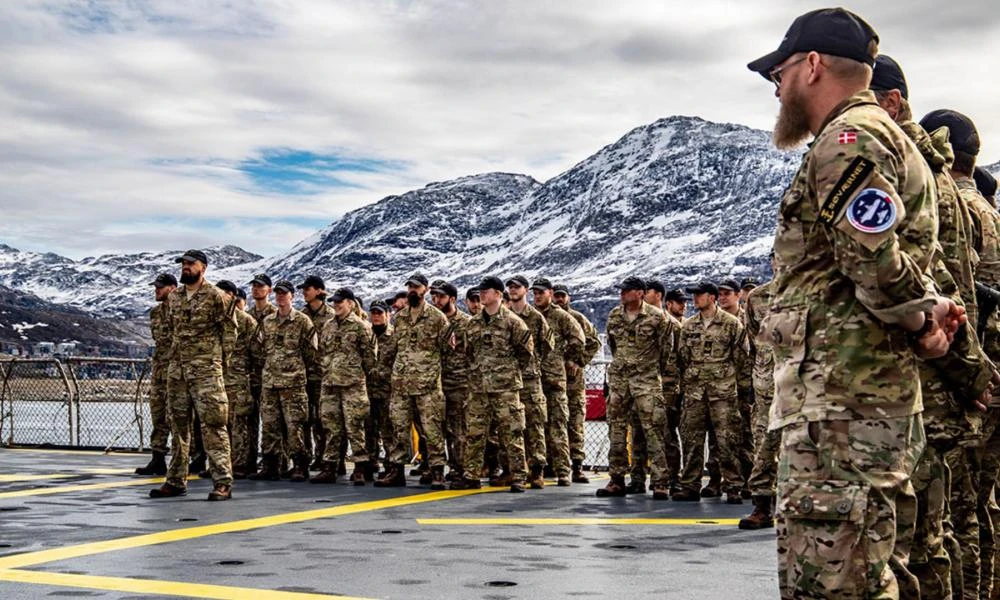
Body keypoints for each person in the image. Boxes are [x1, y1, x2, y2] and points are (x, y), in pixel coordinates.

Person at [747, 8, 964, 595]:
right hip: (863, 400)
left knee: (835, 583)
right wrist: (925, 315)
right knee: (872, 570)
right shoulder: (883, 138)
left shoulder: (850, 139)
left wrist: (919, 319)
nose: (778, 87)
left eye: (781, 73)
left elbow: (871, 257)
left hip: (841, 406)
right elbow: (895, 255)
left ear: (812, 65)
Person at [149, 249, 236, 501]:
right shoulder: (174, 298)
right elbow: (169, 332)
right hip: (178, 373)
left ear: (203, 268)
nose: (186, 267)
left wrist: (219, 363)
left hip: (207, 372)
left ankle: (222, 482)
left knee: (213, 426)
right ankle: (176, 480)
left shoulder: (217, 297)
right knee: (178, 427)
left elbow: (230, 333)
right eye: (183, 264)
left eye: (191, 264)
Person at [452, 276, 532, 493]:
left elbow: (526, 354)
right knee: (475, 433)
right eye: (480, 291)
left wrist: (507, 373)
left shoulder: (513, 322)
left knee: (511, 433)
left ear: (498, 294)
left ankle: (518, 476)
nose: (481, 295)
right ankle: (472, 475)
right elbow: (468, 353)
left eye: (486, 291)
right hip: (479, 388)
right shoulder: (473, 324)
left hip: (505, 388)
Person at [597, 276, 671, 499]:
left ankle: (660, 482)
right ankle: (617, 479)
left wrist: (651, 372)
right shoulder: (615, 316)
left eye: (627, 290)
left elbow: (666, 350)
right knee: (616, 431)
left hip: (646, 381)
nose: (622, 294)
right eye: (622, 290)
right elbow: (613, 344)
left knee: (654, 431)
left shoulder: (657, 318)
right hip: (620, 381)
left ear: (640, 293)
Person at [672, 280, 746, 504]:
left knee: (727, 440)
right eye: (694, 295)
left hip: (722, 392)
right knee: (692, 440)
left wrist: (741, 389)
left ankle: (732, 485)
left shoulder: (731, 324)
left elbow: (741, 358)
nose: (695, 299)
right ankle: (690, 485)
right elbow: (682, 357)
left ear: (712, 298)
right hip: (695, 392)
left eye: (700, 295)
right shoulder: (689, 326)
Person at [375, 273, 449, 489]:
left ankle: (436, 471)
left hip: (427, 386)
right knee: (398, 428)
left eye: (416, 287)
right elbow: (391, 348)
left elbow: (447, 351)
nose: (412, 291)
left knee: (432, 430)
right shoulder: (400, 318)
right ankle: (396, 471)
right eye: (410, 287)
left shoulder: (437, 318)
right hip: (401, 385)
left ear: (425, 290)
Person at [250, 280, 317, 482]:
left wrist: (294, 368)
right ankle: (271, 465)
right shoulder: (268, 322)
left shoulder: (302, 321)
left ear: (291, 296)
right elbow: (259, 349)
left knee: (294, 426)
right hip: (270, 382)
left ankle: (299, 465)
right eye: (277, 293)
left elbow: (311, 352)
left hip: (293, 384)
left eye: (284, 293)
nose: (280, 297)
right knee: (270, 425)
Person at [312, 288, 377, 484]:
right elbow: (322, 351)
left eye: (340, 301)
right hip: (330, 384)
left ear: (350, 303)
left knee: (355, 426)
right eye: (334, 301)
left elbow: (370, 358)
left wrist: (361, 378)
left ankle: (360, 467)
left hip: (353, 385)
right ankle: (330, 466)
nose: (336, 305)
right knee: (331, 427)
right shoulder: (328, 326)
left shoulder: (361, 327)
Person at [552, 283, 603, 482]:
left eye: (562, 296)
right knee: (553, 424)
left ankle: (577, 466)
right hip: (552, 380)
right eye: (556, 296)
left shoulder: (577, 319)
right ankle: (555, 464)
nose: (558, 300)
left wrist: (578, 361)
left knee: (575, 423)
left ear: (568, 298)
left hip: (573, 382)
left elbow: (594, 342)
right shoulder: (546, 319)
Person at [506, 274, 553, 488]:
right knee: (513, 427)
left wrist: (533, 364)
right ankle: (516, 469)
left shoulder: (535, 317)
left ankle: (537, 470)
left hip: (531, 379)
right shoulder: (504, 316)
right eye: (510, 287)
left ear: (525, 290)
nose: (513, 290)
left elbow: (547, 344)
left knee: (535, 426)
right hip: (510, 381)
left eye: (517, 287)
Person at [430, 279, 472, 481]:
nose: (436, 300)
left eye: (441, 296)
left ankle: (459, 467)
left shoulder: (465, 323)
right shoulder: (432, 321)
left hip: (458, 383)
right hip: (434, 383)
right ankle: (436, 466)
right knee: (436, 428)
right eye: (434, 296)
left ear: (452, 299)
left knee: (458, 429)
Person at [135, 273, 176, 476]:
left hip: (177, 372)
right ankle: (157, 458)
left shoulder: (181, 311)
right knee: (158, 416)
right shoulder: (156, 313)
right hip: (160, 371)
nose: (157, 290)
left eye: (161, 287)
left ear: (173, 288)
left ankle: (182, 461)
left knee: (178, 419)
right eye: (156, 287)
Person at [215, 280, 257, 480]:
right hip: (218, 380)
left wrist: (247, 372)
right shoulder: (214, 319)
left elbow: (258, 351)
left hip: (239, 380)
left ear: (231, 295)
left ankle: (240, 464)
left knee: (239, 424)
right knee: (218, 424)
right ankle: (220, 464)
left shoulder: (246, 321)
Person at [299, 275, 334, 471]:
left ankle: (325, 457)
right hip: (304, 375)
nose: (305, 292)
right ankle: (307, 456)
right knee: (305, 418)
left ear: (320, 291)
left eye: (308, 288)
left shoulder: (331, 316)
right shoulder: (301, 316)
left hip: (324, 375)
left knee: (324, 419)